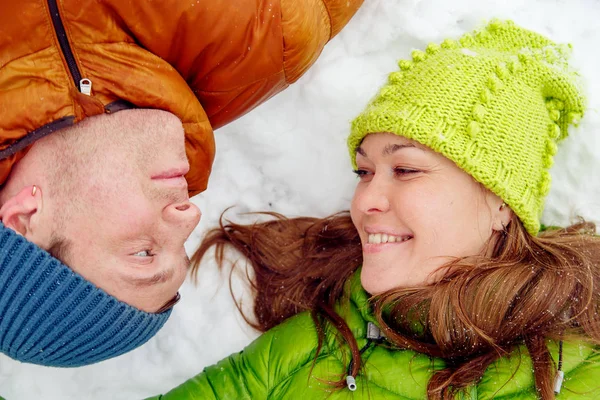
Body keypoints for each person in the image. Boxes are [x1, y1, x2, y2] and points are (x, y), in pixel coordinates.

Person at [149, 20, 600, 399]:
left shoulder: (582, 368)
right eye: (364, 172)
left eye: (404, 169)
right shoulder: (306, 350)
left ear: (502, 201)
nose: (364, 201)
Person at [0, 0, 363, 367]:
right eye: (183, 248)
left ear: (24, 217)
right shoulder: (268, 35)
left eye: (144, 252)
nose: (189, 215)